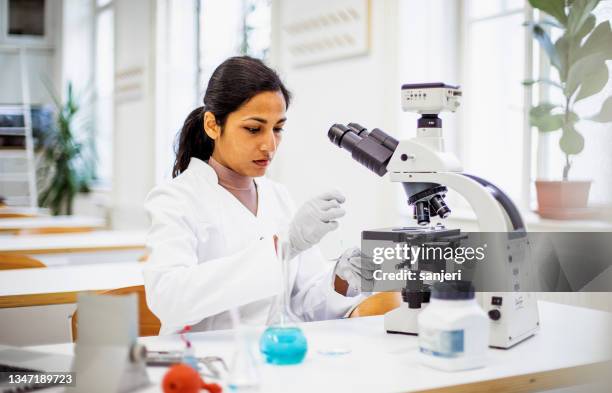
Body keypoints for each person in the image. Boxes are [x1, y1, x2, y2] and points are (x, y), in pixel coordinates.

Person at [143, 56, 369, 335]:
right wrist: (281, 249)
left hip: (277, 360)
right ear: (213, 125)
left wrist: (340, 280)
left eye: (278, 128)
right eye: (253, 129)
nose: (269, 145)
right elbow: (169, 299)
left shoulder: (278, 196)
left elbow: (304, 307)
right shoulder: (175, 199)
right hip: (205, 363)